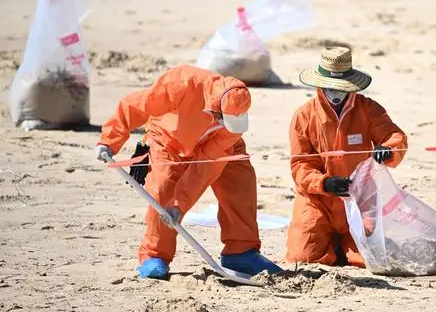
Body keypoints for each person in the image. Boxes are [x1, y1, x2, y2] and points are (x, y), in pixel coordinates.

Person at [95, 64, 281, 279]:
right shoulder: (179, 84)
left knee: (240, 183)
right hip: (168, 141)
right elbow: (133, 106)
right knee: (162, 189)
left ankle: (241, 251)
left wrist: (180, 204)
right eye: (224, 119)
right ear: (214, 109)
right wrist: (109, 141)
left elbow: (206, 166)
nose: (227, 124)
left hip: (213, 145)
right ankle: (154, 256)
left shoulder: (231, 128)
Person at [286, 46, 408, 266]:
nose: (335, 93)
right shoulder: (303, 116)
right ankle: (333, 244)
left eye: (340, 87)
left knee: (369, 260)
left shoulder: (368, 109)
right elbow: (300, 166)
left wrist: (388, 149)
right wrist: (324, 183)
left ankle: (345, 246)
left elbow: (395, 137)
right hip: (318, 201)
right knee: (302, 257)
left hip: (359, 200)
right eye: (329, 87)